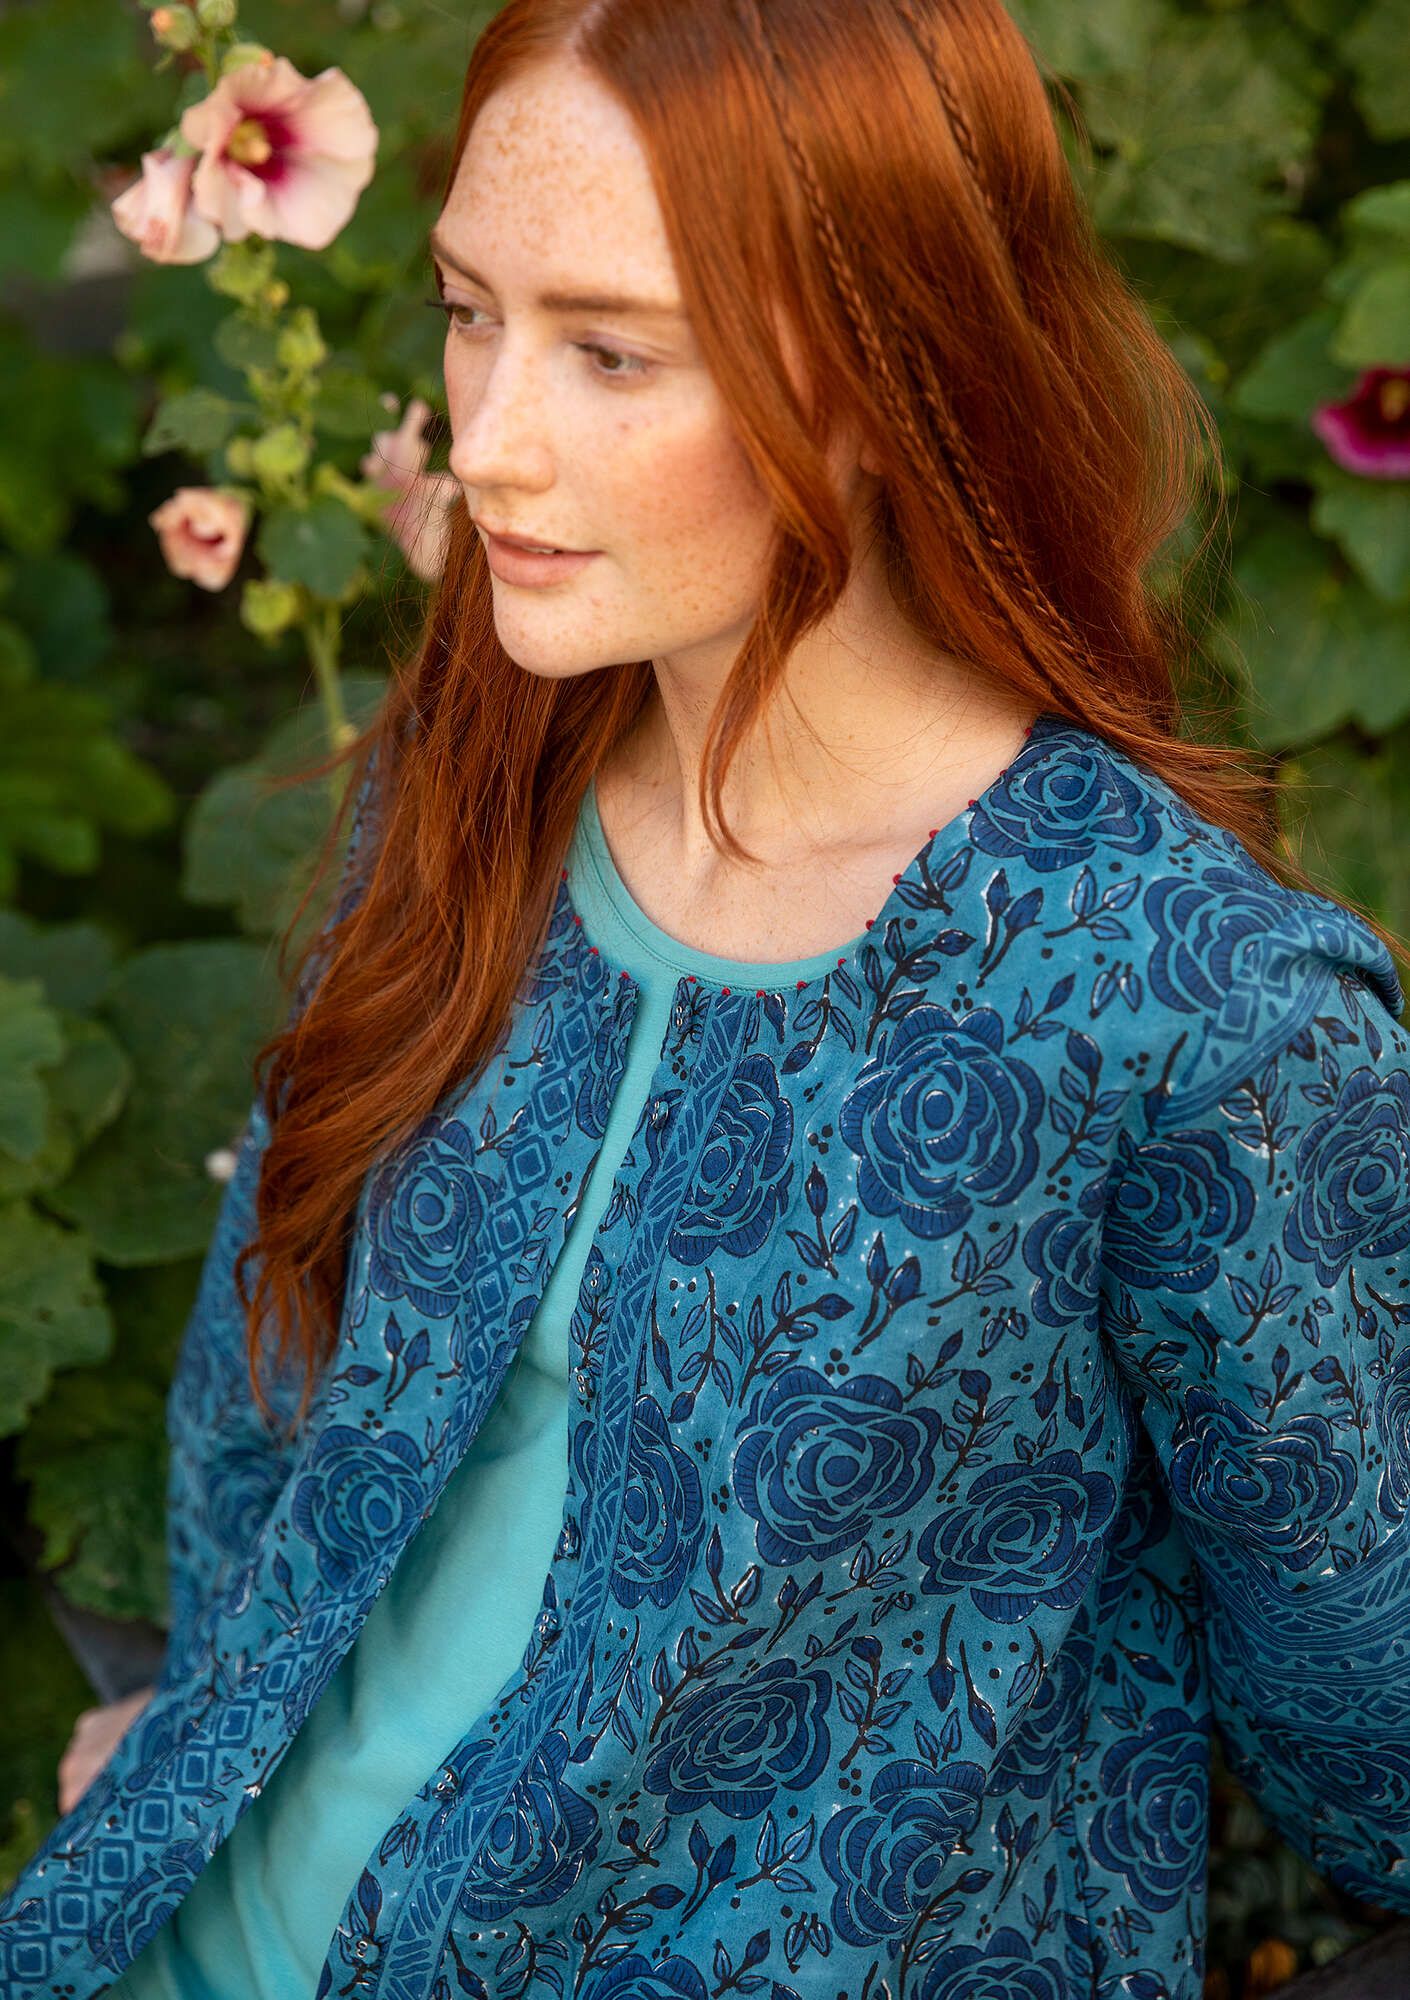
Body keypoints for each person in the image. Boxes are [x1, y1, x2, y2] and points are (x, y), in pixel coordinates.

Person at [7, 0, 1410, 1994]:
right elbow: (276, 1350)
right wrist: (208, 1719)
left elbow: (1371, 1719)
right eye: (469, 313)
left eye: (611, 352)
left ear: (885, 377)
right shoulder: (477, 774)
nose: (489, 440)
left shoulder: (1195, 1011)